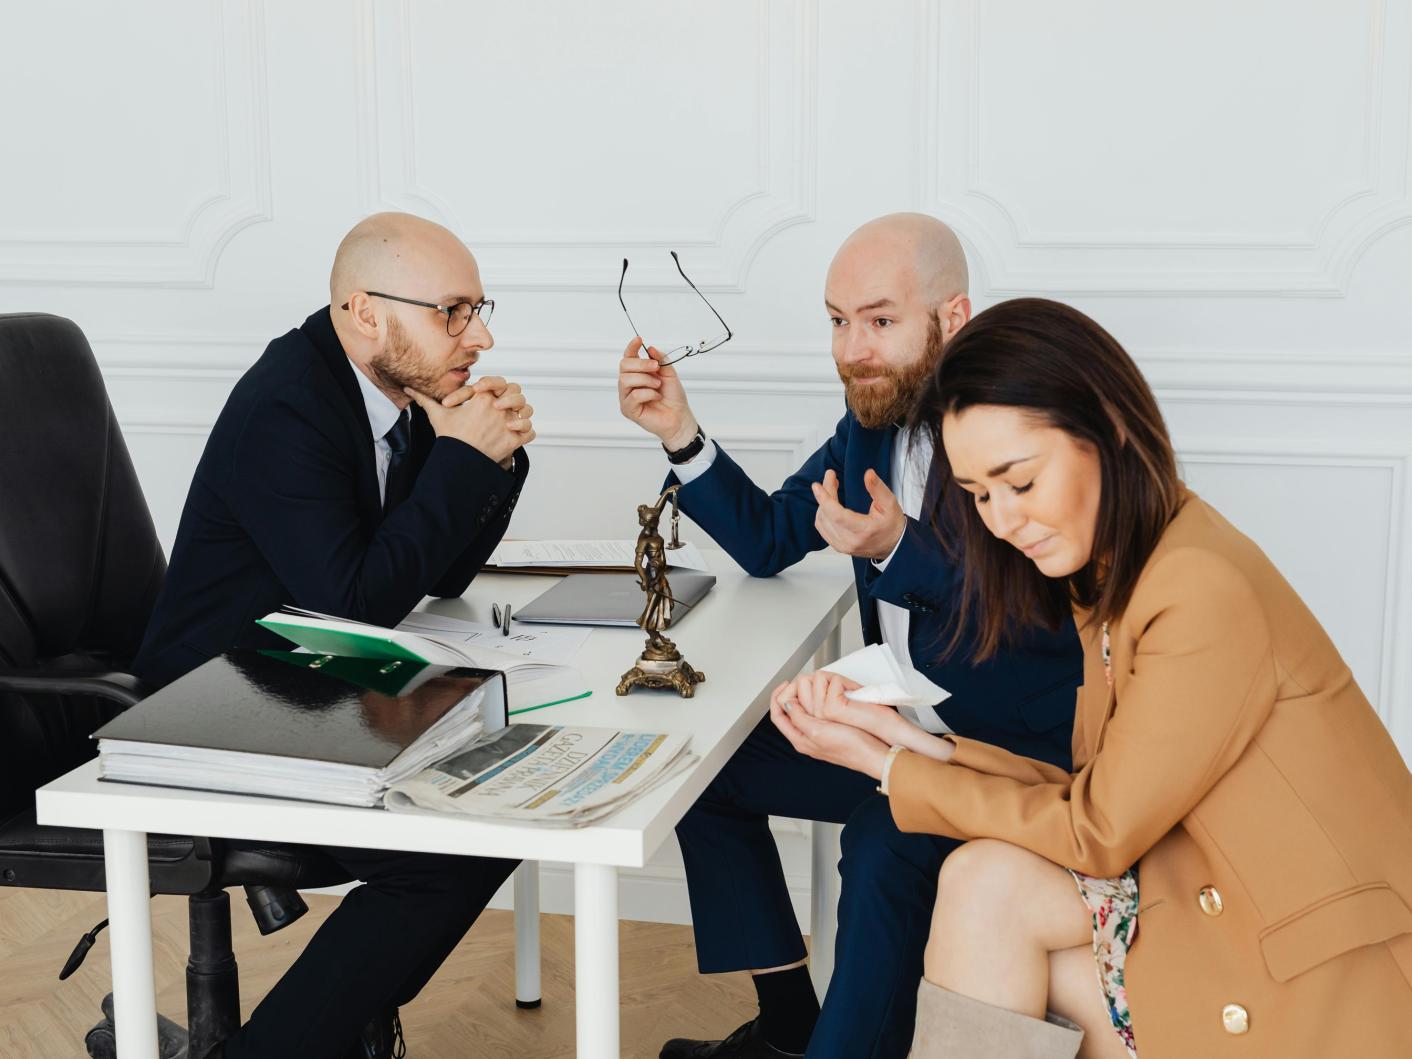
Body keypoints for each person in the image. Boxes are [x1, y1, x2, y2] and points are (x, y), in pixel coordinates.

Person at [770, 297, 1412, 1058]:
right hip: (1205, 907)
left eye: (1020, 482)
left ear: (1105, 428)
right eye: (978, 495)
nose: (1001, 521)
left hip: (1310, 982)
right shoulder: (1119, 573)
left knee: (985, 891)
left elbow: (1095, 832)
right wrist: (902, 739)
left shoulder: (1197, 588)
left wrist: (887, 764)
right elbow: (1094, 792)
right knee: (985, 883)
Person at [617, 214, 1084, 1059]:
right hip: (896, 733)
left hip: (1011, 759)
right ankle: (791, 1021)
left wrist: (900, 547)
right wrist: (681, 437)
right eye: (837, 321)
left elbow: (1038, 616)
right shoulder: (869, 419)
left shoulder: (1027, 428)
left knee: (883, 845)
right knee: (703, 767)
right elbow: (768, 538)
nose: (854, 348)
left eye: (879, 320)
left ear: (953, 318)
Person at [131, 212, 534, 1059]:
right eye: (452, 311)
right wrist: (460, 459)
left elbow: (438, 573)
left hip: (299, 668)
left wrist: (490, 457)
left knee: (499, 793)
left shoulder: (392, 390)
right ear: (364, 311)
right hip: (211, 694)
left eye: (478, 308)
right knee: (454, 845)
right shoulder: (289, 404)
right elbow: (357, 600)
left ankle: (333, 1023)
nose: (481, 335)